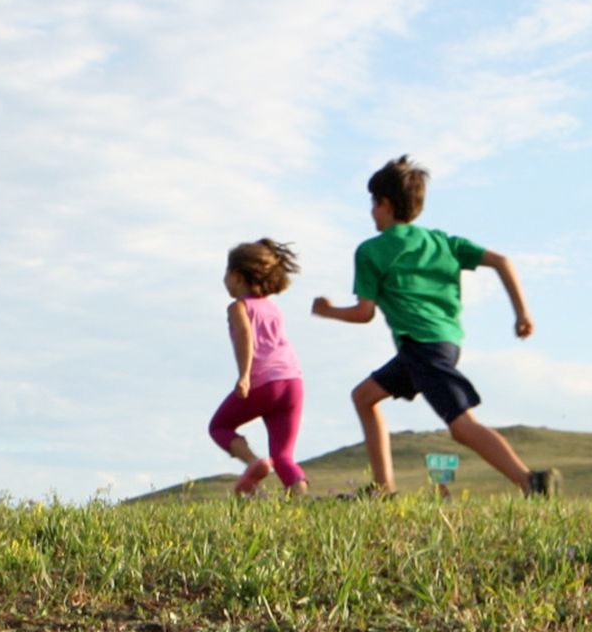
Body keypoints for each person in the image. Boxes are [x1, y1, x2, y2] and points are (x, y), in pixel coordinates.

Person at [312, 154, 559, 497]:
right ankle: (382, 489)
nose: (371, 212)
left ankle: (531, 481)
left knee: (461, 425)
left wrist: (327, 311)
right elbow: (501, 261)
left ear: (384, 204)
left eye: (373, 204)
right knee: (364, 396)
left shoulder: (371, 251)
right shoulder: (442, 242)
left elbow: (363, 313)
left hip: (421, 346)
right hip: (443, 342)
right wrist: (522, 313)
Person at [208, 238, 307, 495]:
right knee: (284, 456)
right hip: (293, 382)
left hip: (263, 382)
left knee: (219, 427)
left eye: (226, 273)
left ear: (237, 276)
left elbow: (245, 336)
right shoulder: (273, 308)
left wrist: (244, 376)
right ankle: (301, 498)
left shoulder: (238, 307)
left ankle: (253, 463)